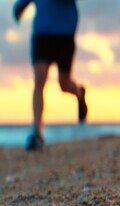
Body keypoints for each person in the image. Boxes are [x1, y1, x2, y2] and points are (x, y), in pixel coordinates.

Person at [13, 0, 88, 151]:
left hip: (64, 35)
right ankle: (37, 133)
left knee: (64, 84)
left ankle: (79, 93)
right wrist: (18, 8)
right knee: (39, 81)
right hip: (41, 34)